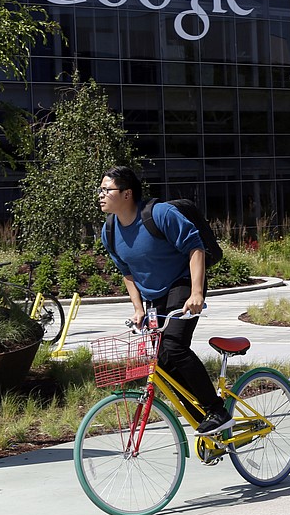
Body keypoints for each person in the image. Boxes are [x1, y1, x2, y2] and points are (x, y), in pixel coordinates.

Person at [98, 165, 233, 436]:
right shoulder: (109, 230)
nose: (100, 195)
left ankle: (217, 410)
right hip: (154, 295)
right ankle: (201, 419)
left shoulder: (160, 214)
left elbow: (196, 248)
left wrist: (196, 293)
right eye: (100, 190)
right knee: (161, 359)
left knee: (173, 346)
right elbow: (126, 271)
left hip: (183, 283)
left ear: (127, 194)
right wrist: (138, 308)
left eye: (106, 189)